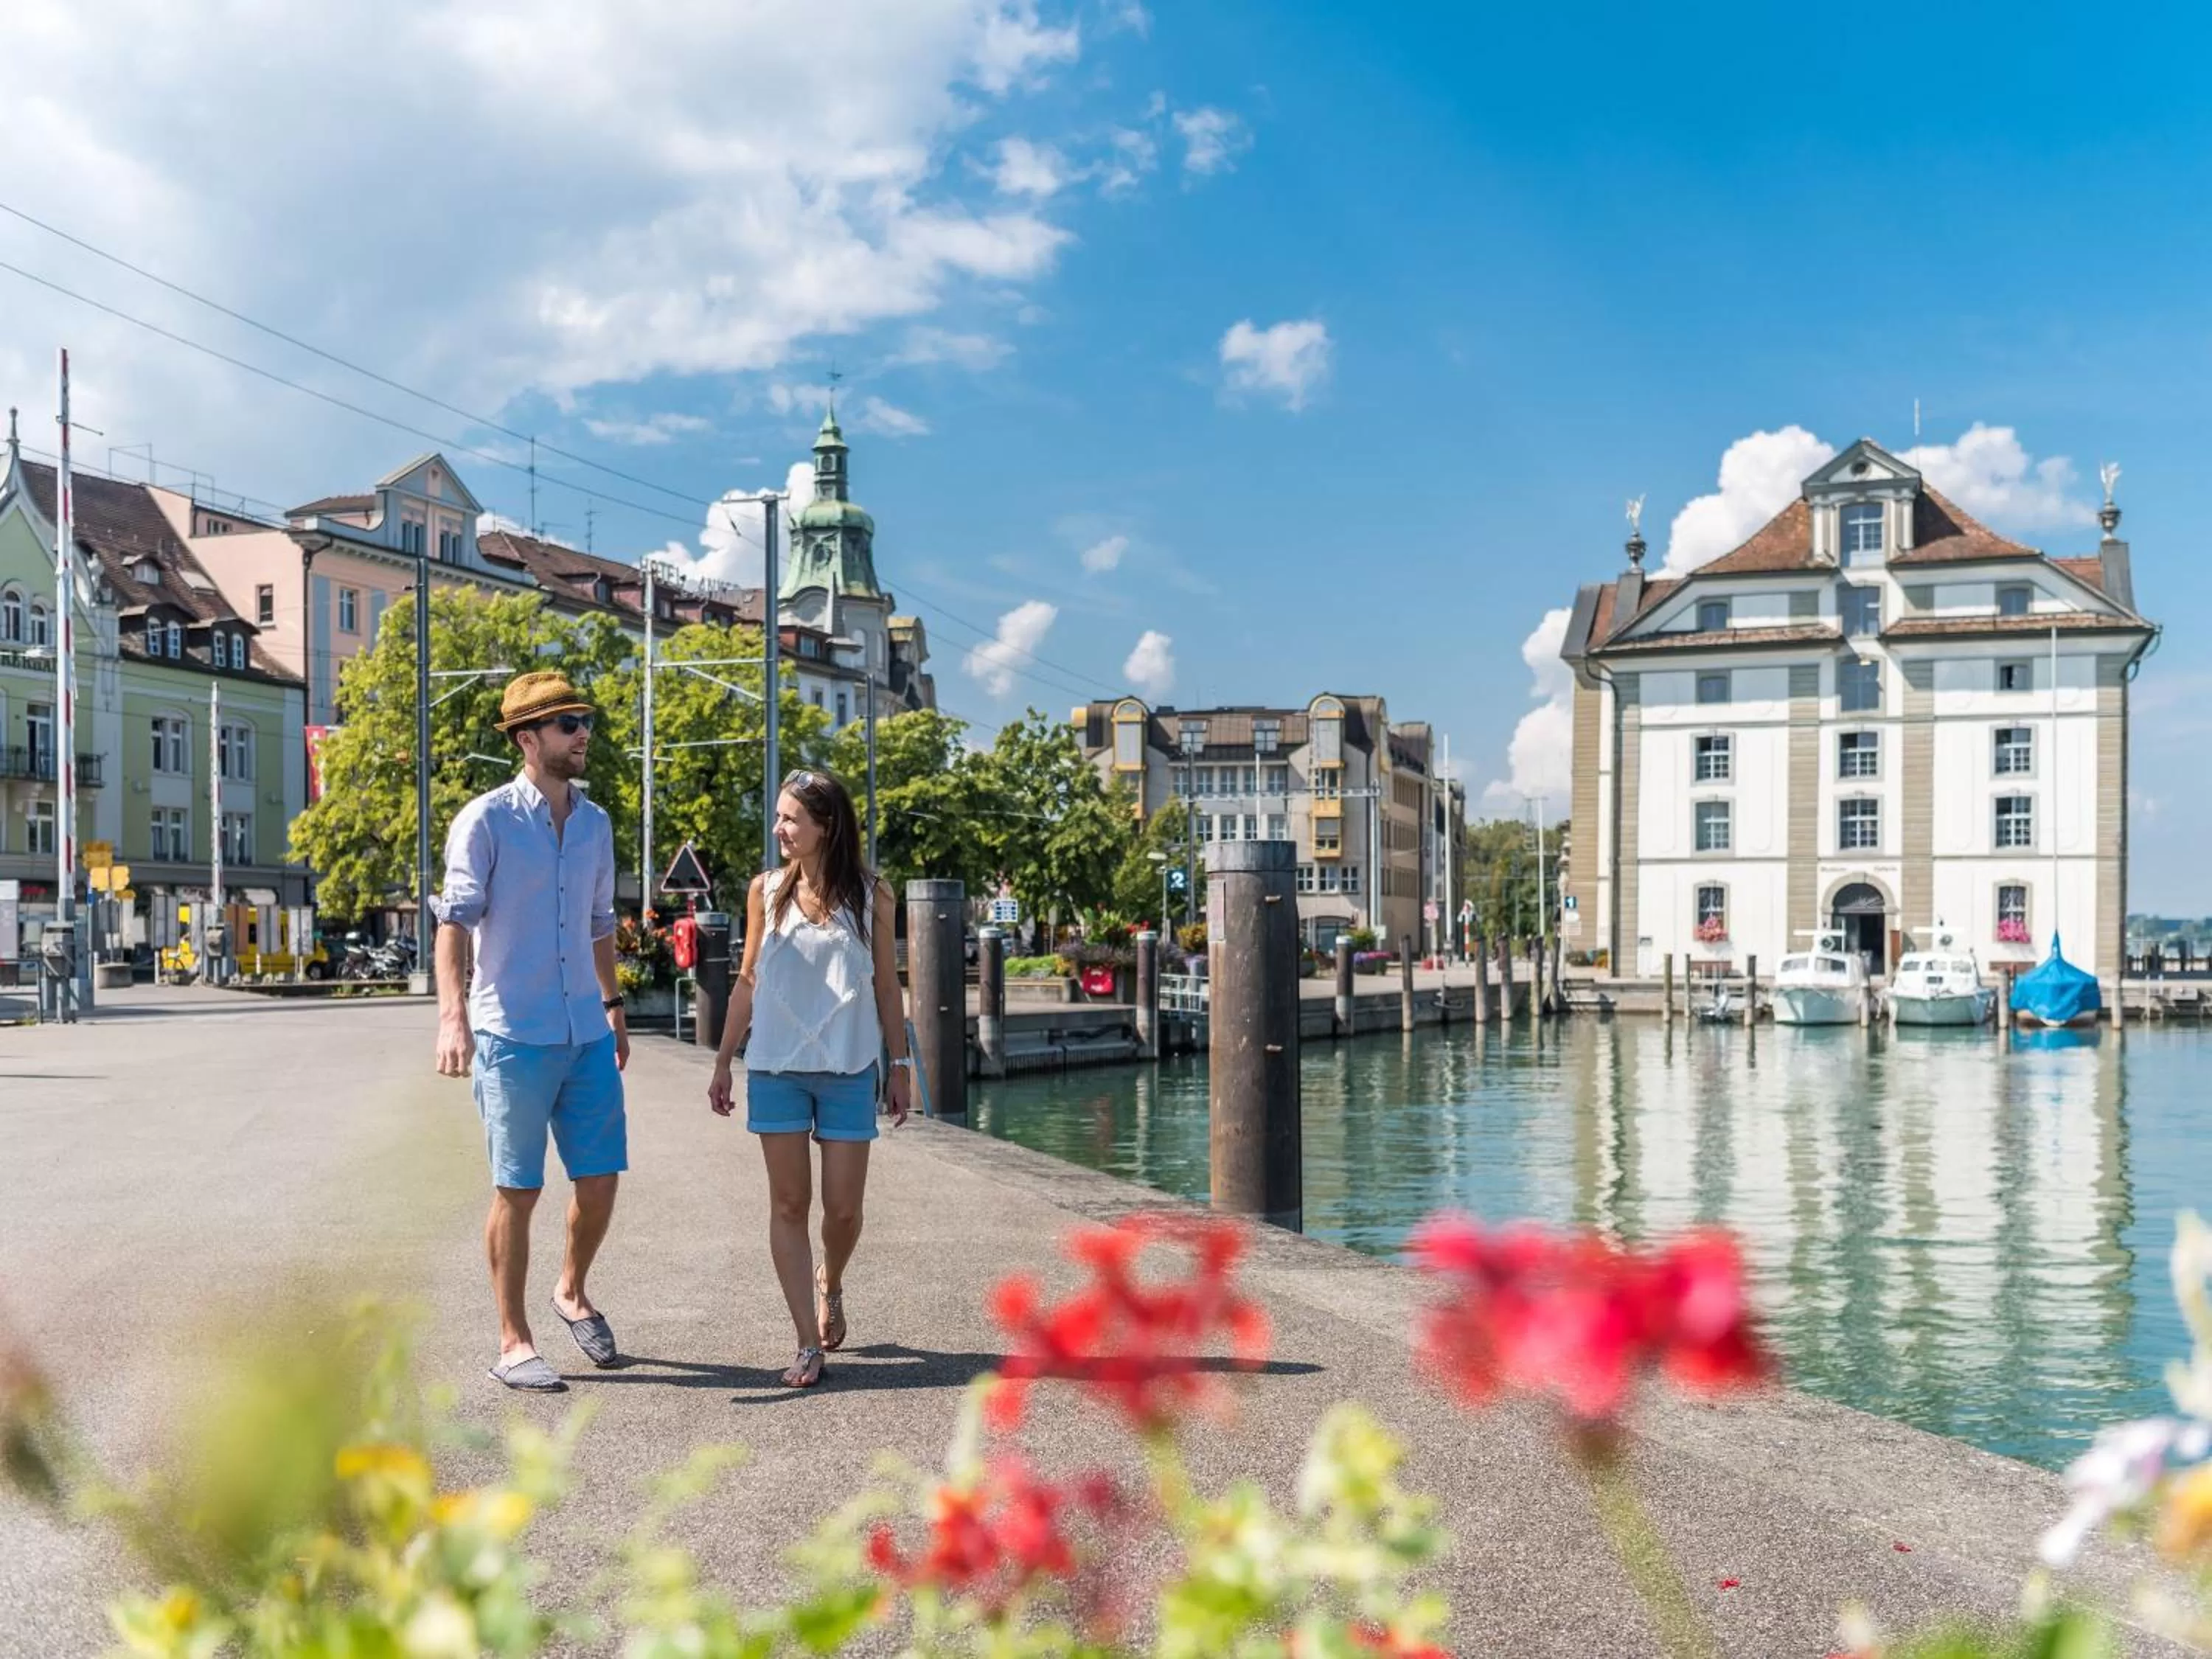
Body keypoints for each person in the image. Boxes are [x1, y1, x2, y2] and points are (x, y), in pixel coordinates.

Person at [433, 671, 630, 1392]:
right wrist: (452, 1017)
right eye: (568, 723)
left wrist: (613, 1008)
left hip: (584, 1026)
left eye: (585, 721)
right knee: (518, 1188)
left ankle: (571, 1290)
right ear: (527, 739)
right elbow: (453, 923)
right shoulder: (485, 820)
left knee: (602, 1178)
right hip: (512, 1032)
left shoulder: (596, 824)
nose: (583, 734)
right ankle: (514, 1341)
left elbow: (600, 924)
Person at [708, 768, 913, 1388]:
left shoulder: (873, 895)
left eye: (792, 819)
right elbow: (747, 979)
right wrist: (723, 1059)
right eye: (779, 816)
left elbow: (885, 983)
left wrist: (899, 1066)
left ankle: (833, 1280)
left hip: (849, 1068)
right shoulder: (764, 891)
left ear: (827, 827)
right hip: (775, 1066)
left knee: (844, 1211)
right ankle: (805, 1342)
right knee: (790, 1203)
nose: (780, 829)